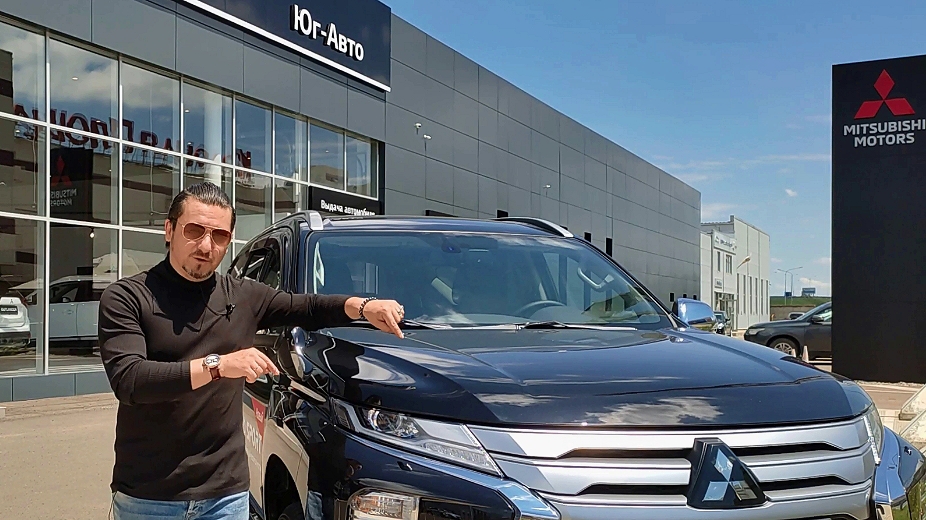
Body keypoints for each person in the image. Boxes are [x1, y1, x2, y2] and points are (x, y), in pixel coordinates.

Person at [98, 182, 406, 520]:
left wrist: (363, 306)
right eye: (194, 230)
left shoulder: (243, 296)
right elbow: (131, 381)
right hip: (149, 497)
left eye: (219, 236)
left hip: (225, 497)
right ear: (169, 230)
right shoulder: (128, 297)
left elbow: (307, 307)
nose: (206, 245)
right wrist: (219, 365)